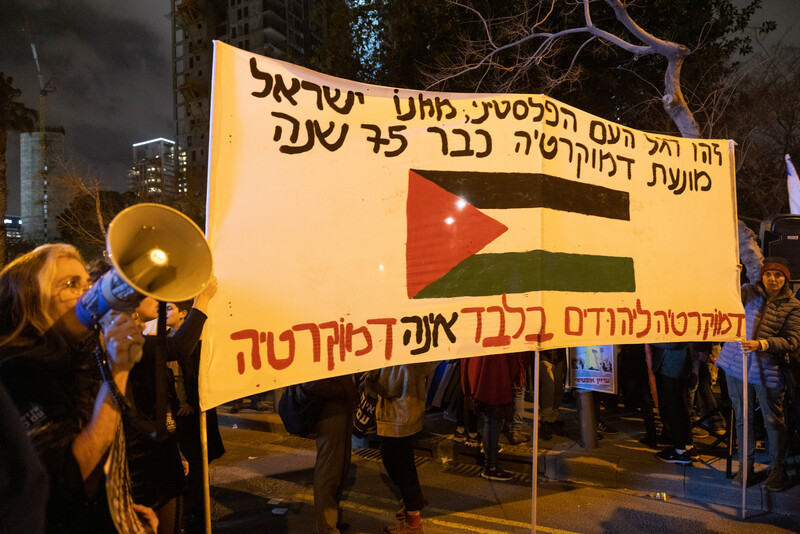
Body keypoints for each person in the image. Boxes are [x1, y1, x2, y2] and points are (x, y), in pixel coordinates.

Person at [0, 244, 157, 533]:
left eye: (87, 283)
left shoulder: (78, 360)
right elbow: (64, 479)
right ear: (30, 300)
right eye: (71, 284)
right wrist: (118, 372)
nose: (87, 294)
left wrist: (116, 507)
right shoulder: (17, 373)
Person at [716, 257, 800, 492]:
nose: (772, 279)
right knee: (743, 419)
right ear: (762, 276)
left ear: (786, 279)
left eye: (778, 275)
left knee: (773, 420)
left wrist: (762, 344)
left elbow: (792, 340)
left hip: (767, 370)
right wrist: (731, 275)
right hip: (736, 366)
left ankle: (778, 468)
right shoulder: (747, 292)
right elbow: (724, 299)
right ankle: (746, 466)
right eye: (768, 274)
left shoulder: (793, 305)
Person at [162, 283, 226, 534]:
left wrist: (193, 402)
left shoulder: (197, 341)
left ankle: (197, 519)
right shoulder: (164, 340)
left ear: (184, 314)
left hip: (191, 416)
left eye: (169, 308)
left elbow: (203, 378)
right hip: (176, 416)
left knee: (195, 472)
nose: (164, 313)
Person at [367, 363, 435, 534]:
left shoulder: (398, 357)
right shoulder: (418, 354)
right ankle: (413, 502)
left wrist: (370, 377)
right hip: (410, 410)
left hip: (397, 415)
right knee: (399, 459)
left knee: (401, 465)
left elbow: (388, 386)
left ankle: (413, 522)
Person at [302, 376, 358, 534]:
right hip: (329, 411)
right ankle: (326, 528)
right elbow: (310, 382)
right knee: (329, 471)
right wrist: (344, 390)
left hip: (340, 408)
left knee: (340, 468)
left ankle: (331, 521)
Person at [462, 352, 526, 481]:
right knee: (493, 420)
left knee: (491, 420)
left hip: (482, 374)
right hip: (494, 376)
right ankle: (491, 466)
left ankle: (490, 458)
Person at [647, 343, 697, 464]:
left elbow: (672, 342)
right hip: (680, 364)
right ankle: (687, 446)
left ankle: (680, 451)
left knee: (673, 408)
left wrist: (649, 339)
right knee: (681, 405)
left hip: (672, 366)